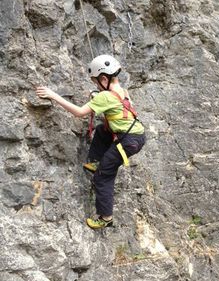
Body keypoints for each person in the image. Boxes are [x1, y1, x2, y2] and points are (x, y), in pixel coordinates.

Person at [35, 54, 146, 229]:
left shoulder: (105, 96)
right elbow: (116, 107)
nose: (96, 86)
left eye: (96, 82)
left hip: (127, 141)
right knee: (102, 129)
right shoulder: (124, 92)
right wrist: (98, 96)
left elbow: (79, 112)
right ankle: (95, 161)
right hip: (136, 135)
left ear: (104, 79)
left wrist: (53, 95)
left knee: (103, 176)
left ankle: (105, 218)